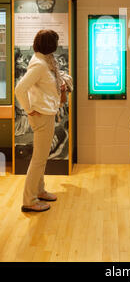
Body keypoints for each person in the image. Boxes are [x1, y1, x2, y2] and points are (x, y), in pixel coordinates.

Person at [15, 30, 72, 213]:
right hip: (41, 115)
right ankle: (29, 200)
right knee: (39, 159)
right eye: (55, 41)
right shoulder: (39, 65)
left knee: (41, 157)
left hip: (45, 113)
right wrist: (29, 109)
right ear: (50, 45)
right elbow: (20, 89)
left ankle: (39, 191)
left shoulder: (44, 61)